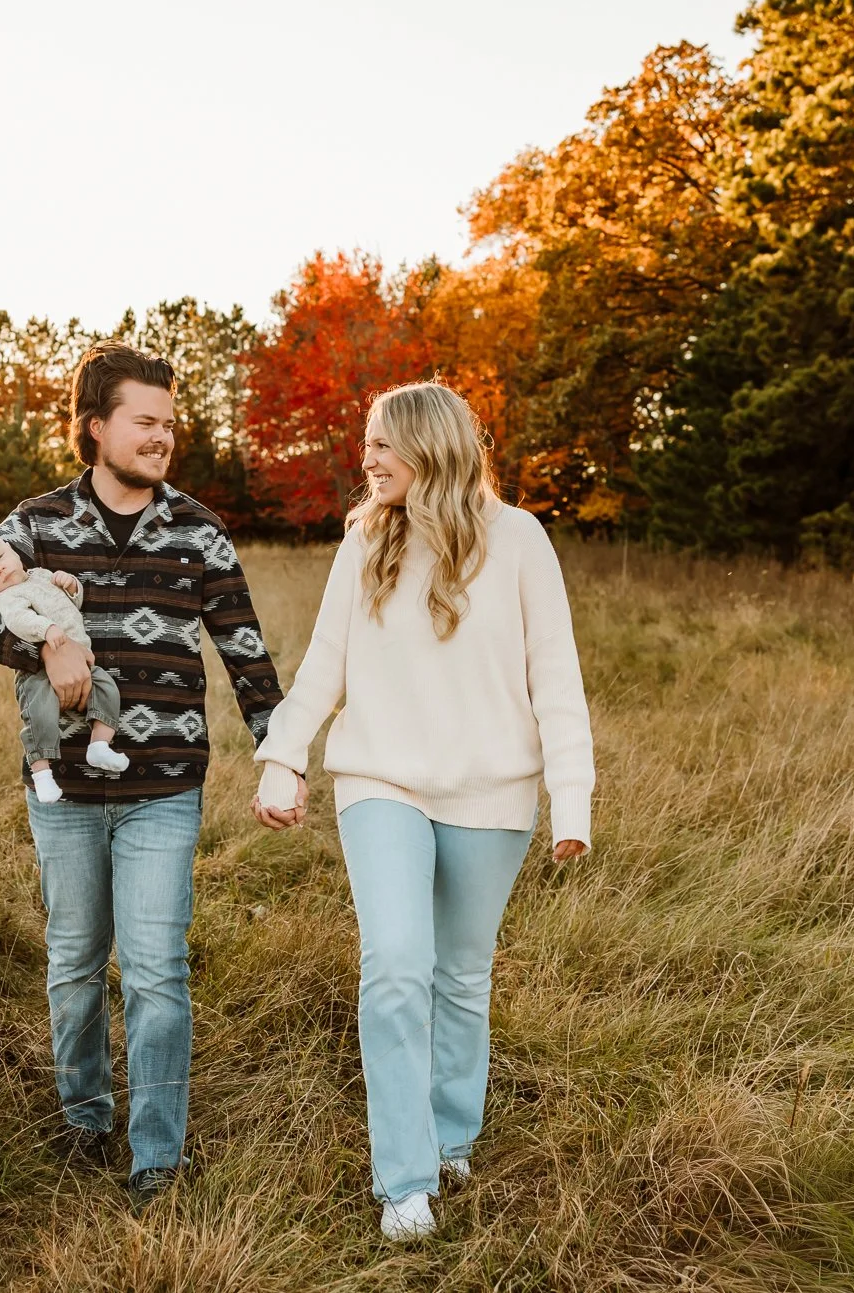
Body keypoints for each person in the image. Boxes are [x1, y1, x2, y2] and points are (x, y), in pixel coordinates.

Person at [0, 340, 284, 1211]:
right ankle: (86, 1116)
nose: (163, 436)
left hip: (164, 784)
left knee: (159, 969)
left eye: (170, 423)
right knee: (75, 961)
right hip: (62, 792)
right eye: (145, 421)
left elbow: (243, 649)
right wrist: (35, 646)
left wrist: (280, 751)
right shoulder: (35, 524)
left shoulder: (199, 528)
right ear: (96, 427)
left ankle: (155, 1156)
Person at [251, 380, 594, 1242]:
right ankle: (404, 1179)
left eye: (381, 444)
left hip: (493, 793)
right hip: (381, 783)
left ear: (433, 447)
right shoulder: (364, 541)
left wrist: (571, 800)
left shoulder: (520, 540)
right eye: (365, 442)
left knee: (461, 977)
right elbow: (324, 665)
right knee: (398, 962)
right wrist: (283, 757)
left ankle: (451, 1137)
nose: (365, 459)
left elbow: (556, 678)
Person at [0, 528, 130, 801]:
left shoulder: (42, 575)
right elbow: (19, 621)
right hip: (39, 674)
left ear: (12, 550)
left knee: (107, 689)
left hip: (82, 659)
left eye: (0, 557)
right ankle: (42, 772)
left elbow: (71, 605)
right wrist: (46, 631)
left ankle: (99, 744)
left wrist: (71, 586)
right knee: (40, 715)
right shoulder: (7, 596)